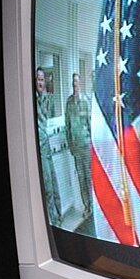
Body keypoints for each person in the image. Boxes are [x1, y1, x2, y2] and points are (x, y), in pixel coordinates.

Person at [36, 67, 61, 224]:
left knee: (54, 182)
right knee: (48, 188)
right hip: (39, 149)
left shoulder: (47, 99)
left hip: (47, 148)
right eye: (38, 80)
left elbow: (51, 115)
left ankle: (58, 218)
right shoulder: (32, 101)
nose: (40, 83)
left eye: (42, 80)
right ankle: (54, 221)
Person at [65, 72, 92, 217]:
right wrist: (70, 145)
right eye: (73, 82)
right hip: (76, 148)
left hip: (86, 146)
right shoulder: (69, 103)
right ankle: (87, 207)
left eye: (77, 81)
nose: (75, 84)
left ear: (80, 83)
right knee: (81, 178)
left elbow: (90, 124)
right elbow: (67, 126)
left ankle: (93, 208)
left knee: (89, 177)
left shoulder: (86, 101)